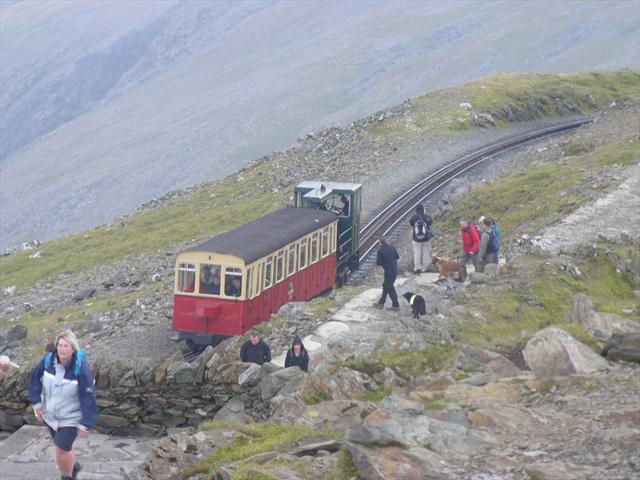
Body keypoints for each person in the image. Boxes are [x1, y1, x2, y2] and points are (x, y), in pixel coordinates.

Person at [29, 330, 97, 480]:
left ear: (73, 348)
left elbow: (88, 395)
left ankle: (67, 477)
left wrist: (86, 423)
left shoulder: (81, 369)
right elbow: (35, 380)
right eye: (60, 345)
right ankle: (74, 466)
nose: (62, 349)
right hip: (50, 415)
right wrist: (37, 403)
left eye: (66, 346)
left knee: (61, 449)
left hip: (71, 417)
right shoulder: (47, 362)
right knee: (64, 448)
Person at [373, 236, 400, 311]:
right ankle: (381, 303)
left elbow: (378, 263)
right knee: (385, 286)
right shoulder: (392, 248)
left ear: (380, 243)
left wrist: (384, 261)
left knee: (390, 287)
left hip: (388, 271)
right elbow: (397, 257)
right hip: (394, 270)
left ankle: (396, 305)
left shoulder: (380, 251)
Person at [409, 204, 434, 274]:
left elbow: (411, 223)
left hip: (416, 239)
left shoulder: (414, 217)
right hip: (426, 238)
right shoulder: (427, 216)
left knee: (417, 253)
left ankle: (417, 268)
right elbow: (431, 221)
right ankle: (424, 269)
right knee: (426, 253)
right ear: (423, 209)